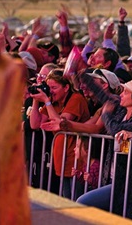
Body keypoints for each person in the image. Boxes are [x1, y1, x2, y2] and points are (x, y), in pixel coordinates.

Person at [76, 77, 132, 214]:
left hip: (130, 182)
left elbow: (115, 130)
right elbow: (105, 97)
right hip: (113, 177)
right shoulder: (122, 112)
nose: (121, 94)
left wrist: (105, 115)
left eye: (125, 92)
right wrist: (86, 78)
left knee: (85, 203)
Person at [29, 69, 90, 198]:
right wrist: (35, 99)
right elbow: (34, 124)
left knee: (76, 200)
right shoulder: (53, 102)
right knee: (66, 198)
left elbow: (60, 125)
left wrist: (46, 101)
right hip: (62, 160)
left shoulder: (76, 99)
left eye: (54, 87)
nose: (50, 91)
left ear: (66, 87)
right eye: (48, 87)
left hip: (77, 161)